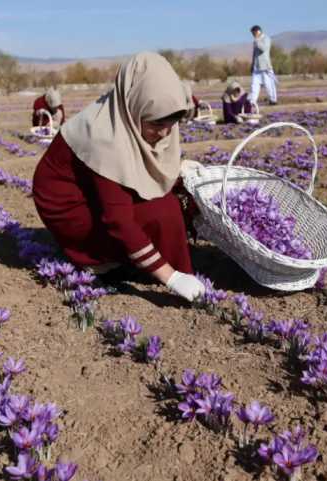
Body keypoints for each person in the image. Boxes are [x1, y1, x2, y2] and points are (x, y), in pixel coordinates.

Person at [32, 52, 206, 302]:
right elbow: (118, 221)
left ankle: (149, 259)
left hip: (93, 186)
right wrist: (171, 277)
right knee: (160, 211)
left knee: (173, 198)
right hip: (68, 204)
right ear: (135, 106)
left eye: (173, 121)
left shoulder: (137, 116)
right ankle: (101, 261)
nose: (165, 133)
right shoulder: (107, 138)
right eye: (156, 124)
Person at [249, 25, 277, 106]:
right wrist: (252, 64)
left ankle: (273, 100)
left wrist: (257, 40)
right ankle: (252, 101)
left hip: (265, 67)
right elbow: (254, 54)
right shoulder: (255, 41)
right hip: (256, 68)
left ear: (258, 31)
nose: (253, 35)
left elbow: (263, 49)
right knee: (254, 85)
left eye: (253, 33)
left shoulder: (266, 39)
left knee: (268, 85)